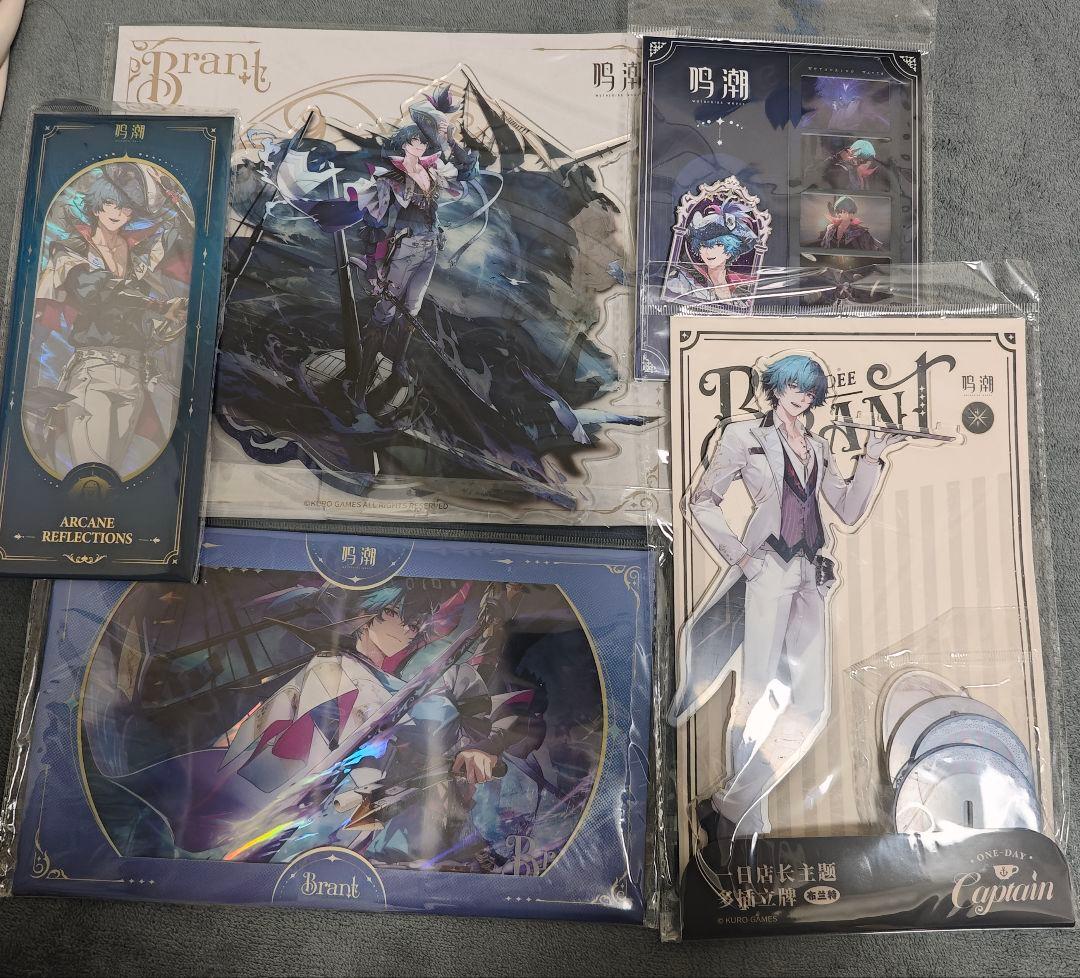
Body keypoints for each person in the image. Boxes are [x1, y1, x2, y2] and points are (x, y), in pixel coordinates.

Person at [669, 354, 908, 839]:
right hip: (767, 569)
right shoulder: (743, 436)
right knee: (756, 693)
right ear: (776, 388)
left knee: (810, 705)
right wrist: (741, 558)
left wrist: (871, 457)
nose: (802, 396)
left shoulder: (818, 446)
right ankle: (745, 821)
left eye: (810, 390)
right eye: (794, 386)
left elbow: (847, 509)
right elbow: (701, 500)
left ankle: (728, 805)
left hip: (811, 574)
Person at [35, 162, 190, 476]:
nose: (120, 212)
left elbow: (184, 231)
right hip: (94, 371)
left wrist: (170, 193)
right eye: (112, 203)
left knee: (113, 474)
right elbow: (96, 290)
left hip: (133, 375)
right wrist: (159, 306)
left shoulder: (138, 254)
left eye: (127, 207)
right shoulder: (70, 250)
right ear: (97, 206)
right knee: (91, 474)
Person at [665, 201, 760, 307]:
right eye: (703, 245)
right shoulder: (684, 279)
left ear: (730, 251)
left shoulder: (741, 291)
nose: (708, 252)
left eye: (718, 245)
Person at [817, 195, 884, 251]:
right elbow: (824, 247)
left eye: (850, 212)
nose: (847, 215)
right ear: (838, 212)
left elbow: (870, 252)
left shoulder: (860, 232)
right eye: (843, 212)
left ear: (852, 213)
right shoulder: (830, 229)